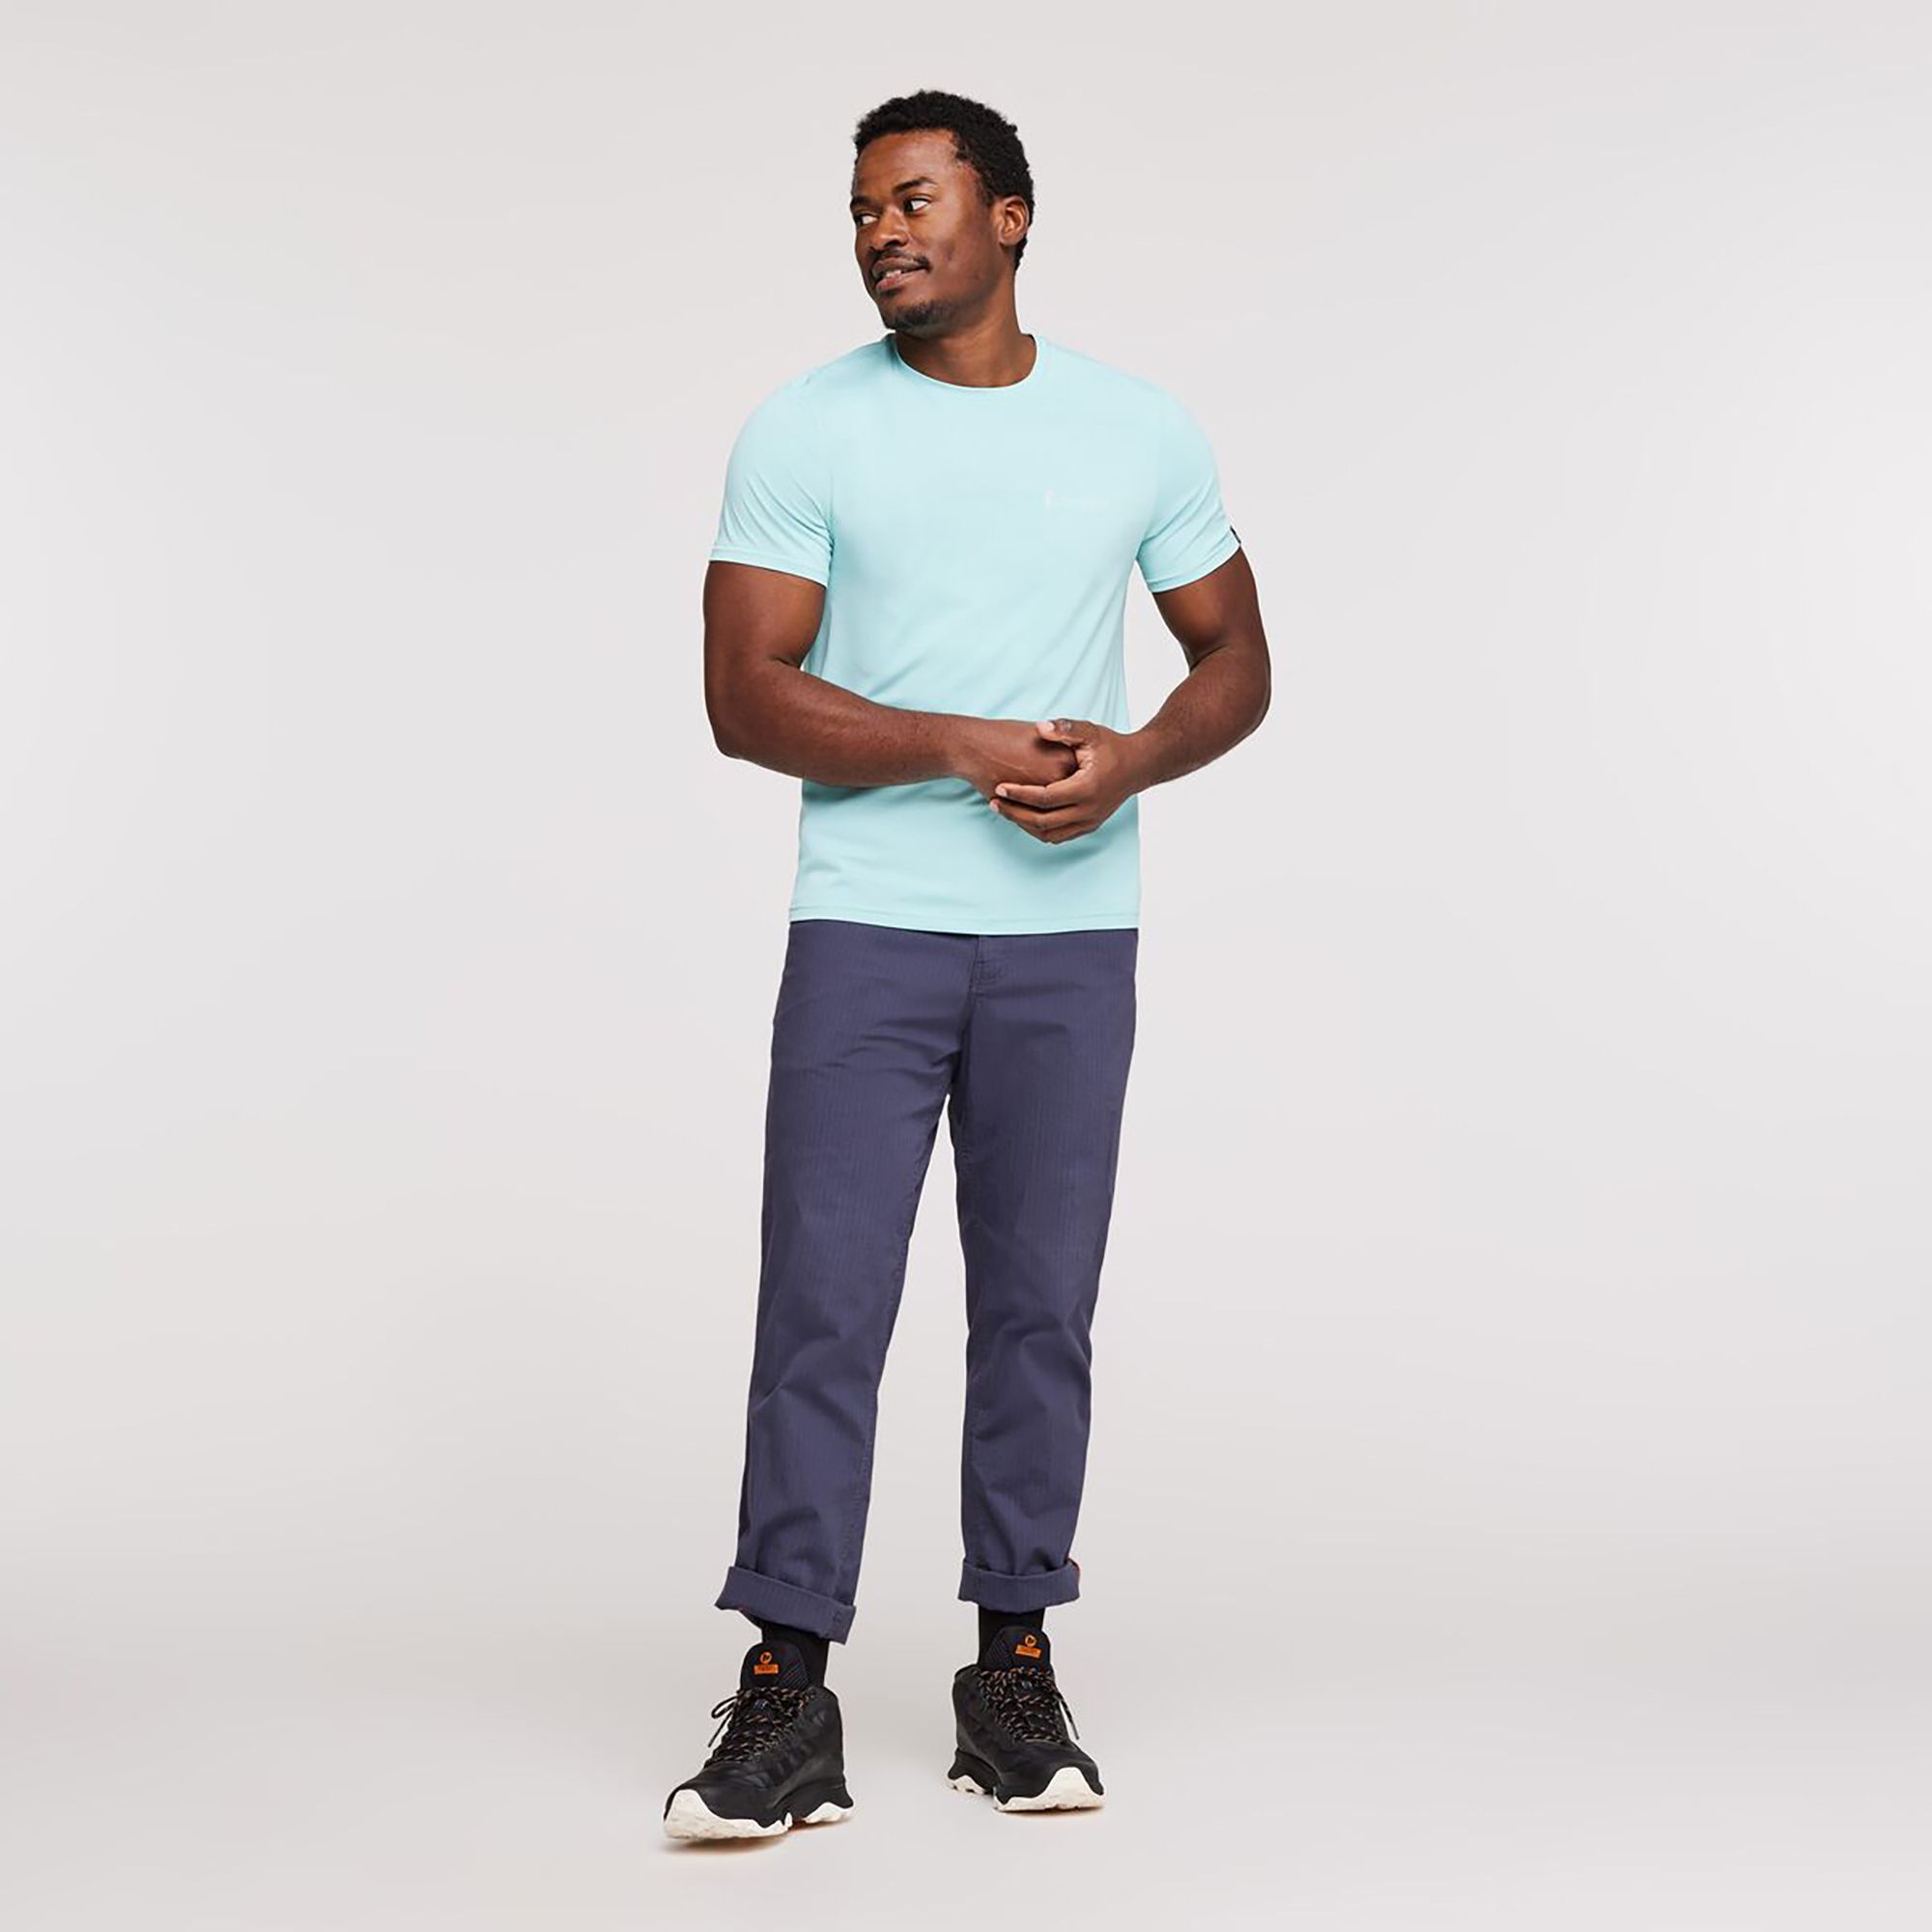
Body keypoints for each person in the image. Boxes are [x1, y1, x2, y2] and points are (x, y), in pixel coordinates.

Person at [664, 88, 1271, 1842]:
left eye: (915, 200)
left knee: (1037, 1309)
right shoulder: (806, 428)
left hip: (1070, 942)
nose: (883, 233)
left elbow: (1235, 656)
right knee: (823, 1303)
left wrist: (1132, 762)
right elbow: (744, 696)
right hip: (868, 928)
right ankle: (787, 1684)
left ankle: (1013, 1665)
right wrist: (955, 739)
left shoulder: (1137, 429)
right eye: (864, 210)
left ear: (1009, 216)